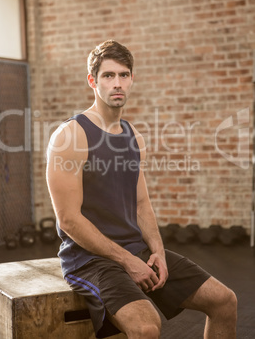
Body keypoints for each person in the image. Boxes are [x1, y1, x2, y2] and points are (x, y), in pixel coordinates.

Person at [46, 40, 237, 339]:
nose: (117, 83)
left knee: (225, 301)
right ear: (92, 81)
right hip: (89, 260)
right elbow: (68, 219)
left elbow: (141, 204)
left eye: (124, 75)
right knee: (147, 327)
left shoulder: (134, 136)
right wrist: (126, 260)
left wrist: (158, 252)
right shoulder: (70, 136)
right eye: (108, 76)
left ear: (132, 79)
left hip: (137, 250)